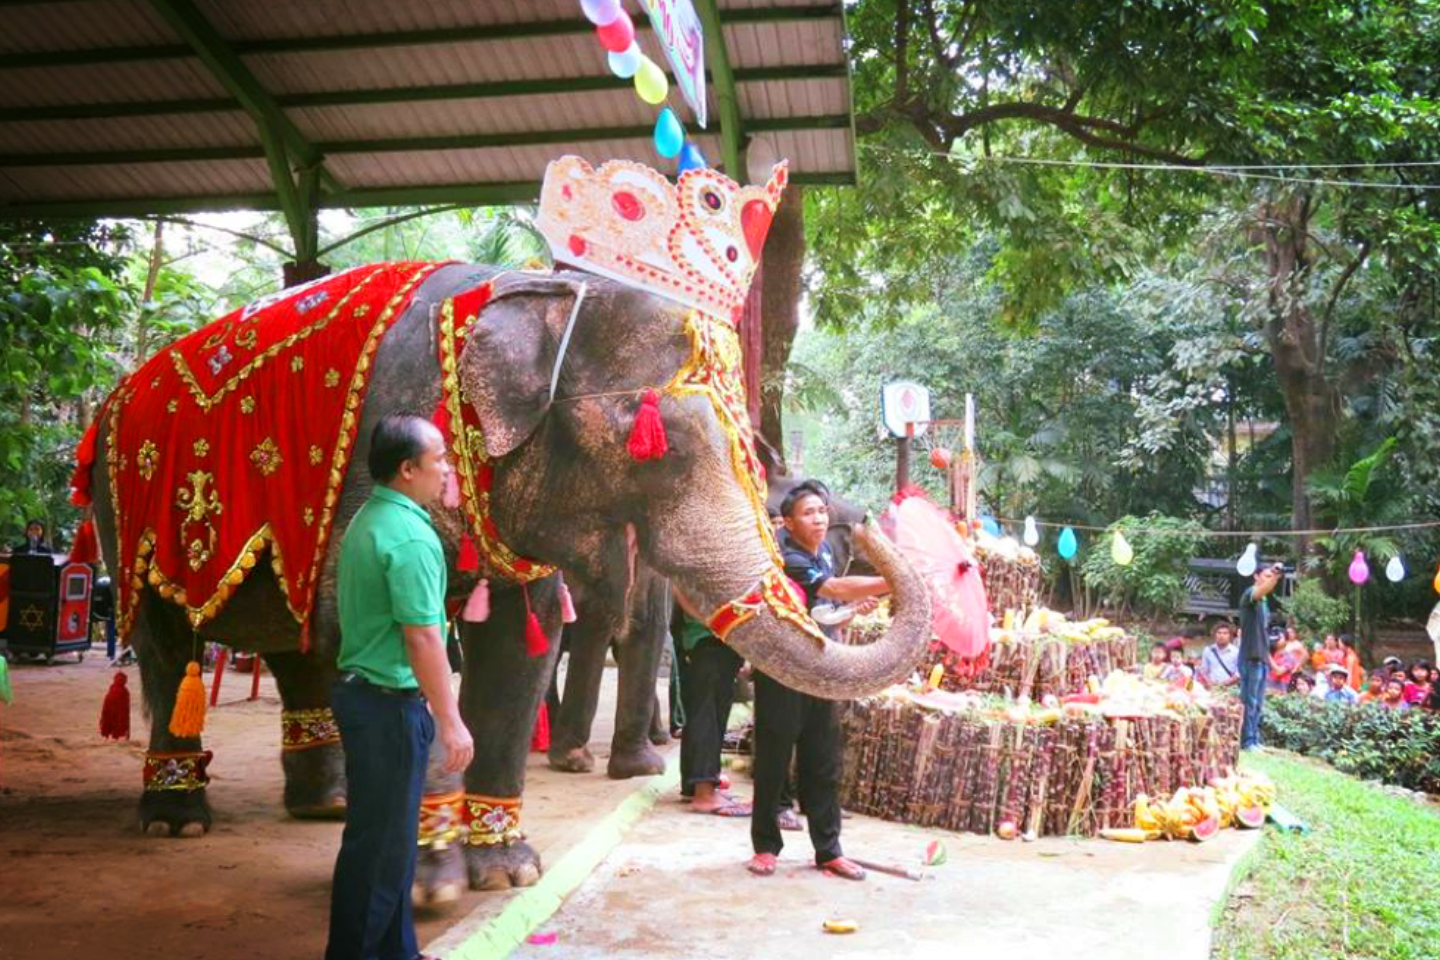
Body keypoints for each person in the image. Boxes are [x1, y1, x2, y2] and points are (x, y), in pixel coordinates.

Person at [326, 413, 474, 960]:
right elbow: (423, 640)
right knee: (381, 850)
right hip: (389, 706)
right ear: (408, 469)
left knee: (386, 844)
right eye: (438, 459)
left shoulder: (372, 518)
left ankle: (398, 952)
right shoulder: (412, 536)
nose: (447, 469)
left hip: (367, 698)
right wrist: (452, 721)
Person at [748, 480, 888, 882]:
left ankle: (828, 850)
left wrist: (850, 611)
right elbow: (833, 589)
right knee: (773, 762)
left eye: (822, 511)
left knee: (824, 761)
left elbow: (823, 611)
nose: (819, 518)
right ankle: (765, 848)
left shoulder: (824, 551)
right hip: (783, 672)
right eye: (809, 513)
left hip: (822, 673)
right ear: (788, 523)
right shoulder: (788, 557)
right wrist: (894, 579)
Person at [677, 611, 749, 816]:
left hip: (712, 635)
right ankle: (704, 791)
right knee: (708, 713)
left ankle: (695, 785)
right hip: (712, 635)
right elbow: (683, 595)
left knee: (704, 710)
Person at [1237, 563, 1282, 750]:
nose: (1268, 578)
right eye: (1265, 575)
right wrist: (1277, 576)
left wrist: (1271, 663)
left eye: (1270, 575)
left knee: (1259, 703)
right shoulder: (1250, 594)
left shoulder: (1264, 603)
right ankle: (1246, 741)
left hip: (1261, 658)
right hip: (1249, 657)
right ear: (1256, 576)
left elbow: (1263, 637)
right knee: (1249, 701)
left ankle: (1254, 738)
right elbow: (1261, 590)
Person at [1198, 622, 1240, 690]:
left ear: (1230, 635)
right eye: (1219, 633)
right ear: (1215, 635)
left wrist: (1224, 684)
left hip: (1231, 689)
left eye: (1225, 633)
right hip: (1212, 688)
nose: (1221, 635)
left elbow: (1239, 673)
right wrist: (1210, 683)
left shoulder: (1236, 652)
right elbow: (1204, 670)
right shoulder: (1208, 650)